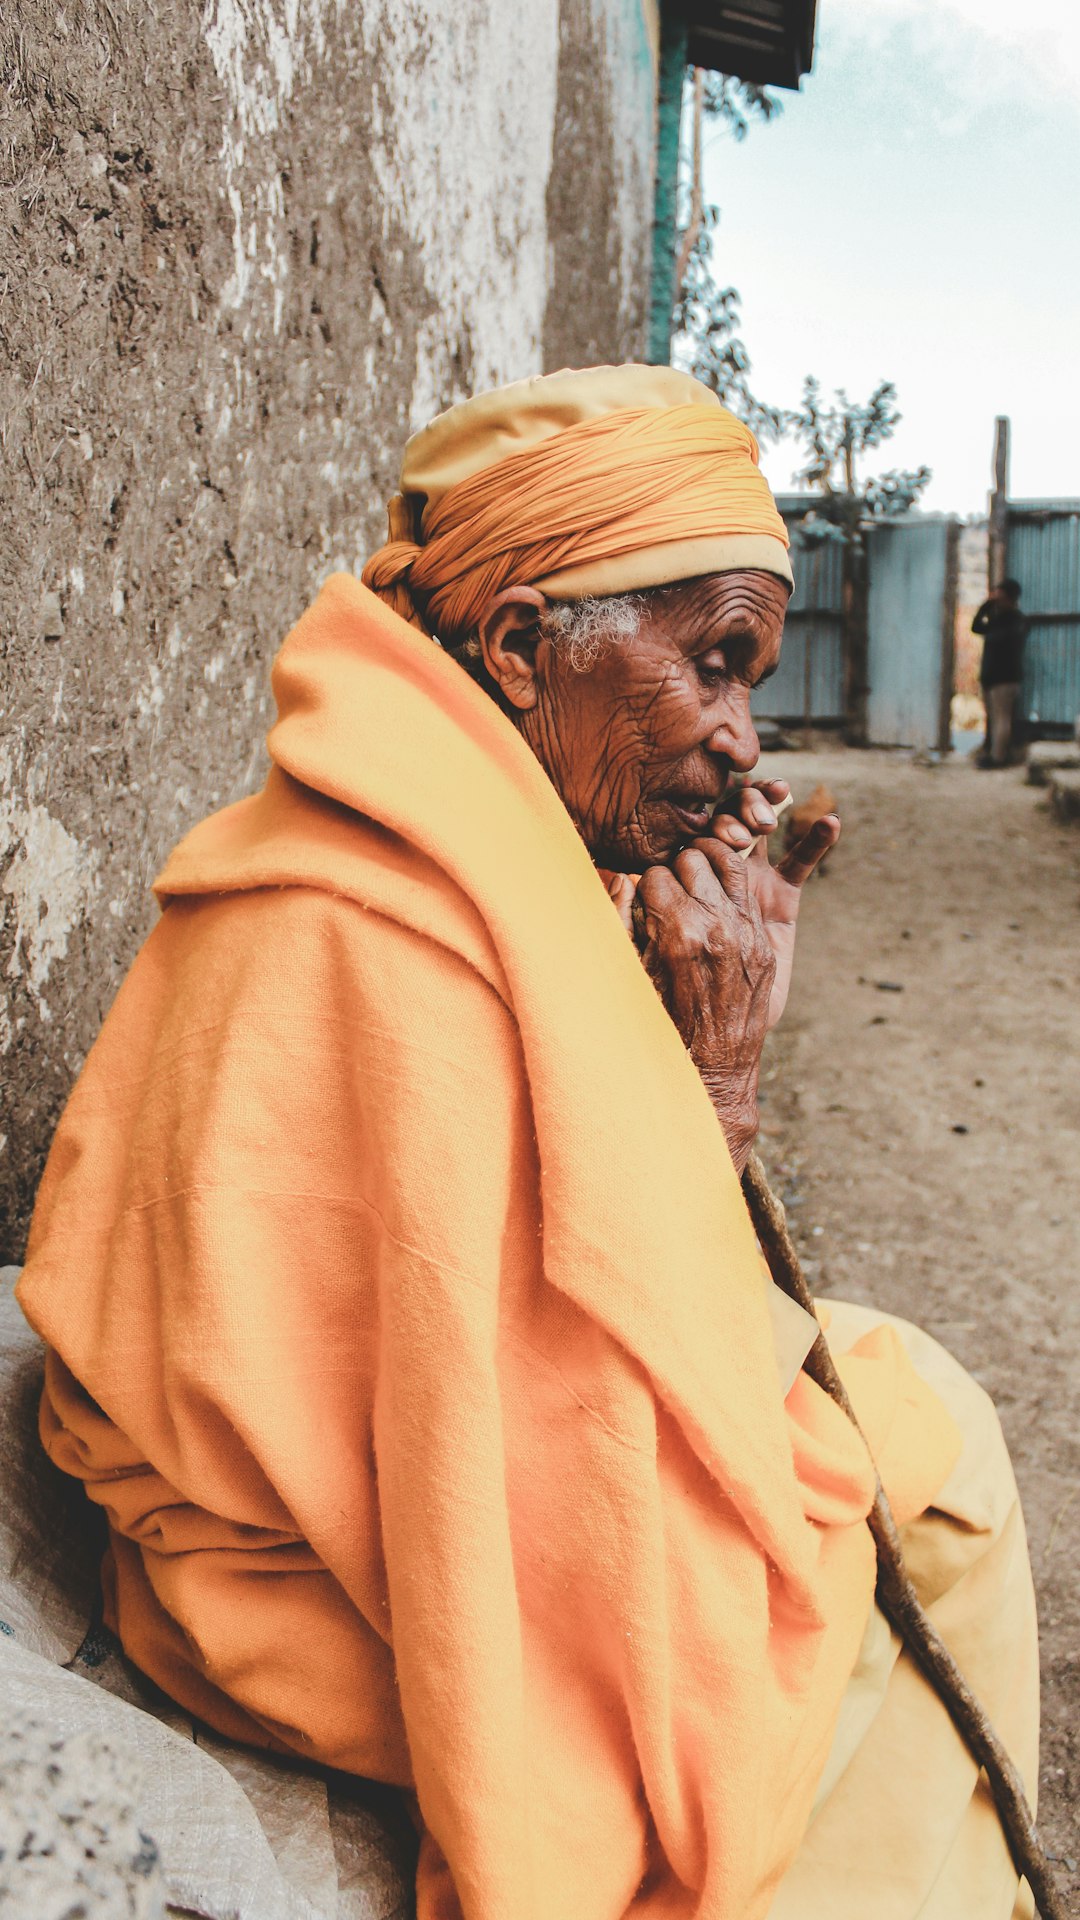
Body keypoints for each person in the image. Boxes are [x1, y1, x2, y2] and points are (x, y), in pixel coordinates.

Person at [17, 367, 1037, 1920]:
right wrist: (716, 1082)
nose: (738, 744)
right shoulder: (403, 949)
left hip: (391, 1489)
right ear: (514, 650)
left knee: (908, 1400)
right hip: (308, 1612)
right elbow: (564, 1459)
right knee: (921, 1501)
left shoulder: (428, 844)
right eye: (714, 665)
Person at [973, 578, 1028, 766]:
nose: (998, 601)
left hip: (1005, 678)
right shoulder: (997, 618)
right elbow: (976, 627)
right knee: (994, 718)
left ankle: (998, 757)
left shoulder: (1015, 620)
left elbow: (1001, 641)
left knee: (1002, 719)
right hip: (992, 676)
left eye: (1001, 597)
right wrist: (986, 606)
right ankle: (992, 752)